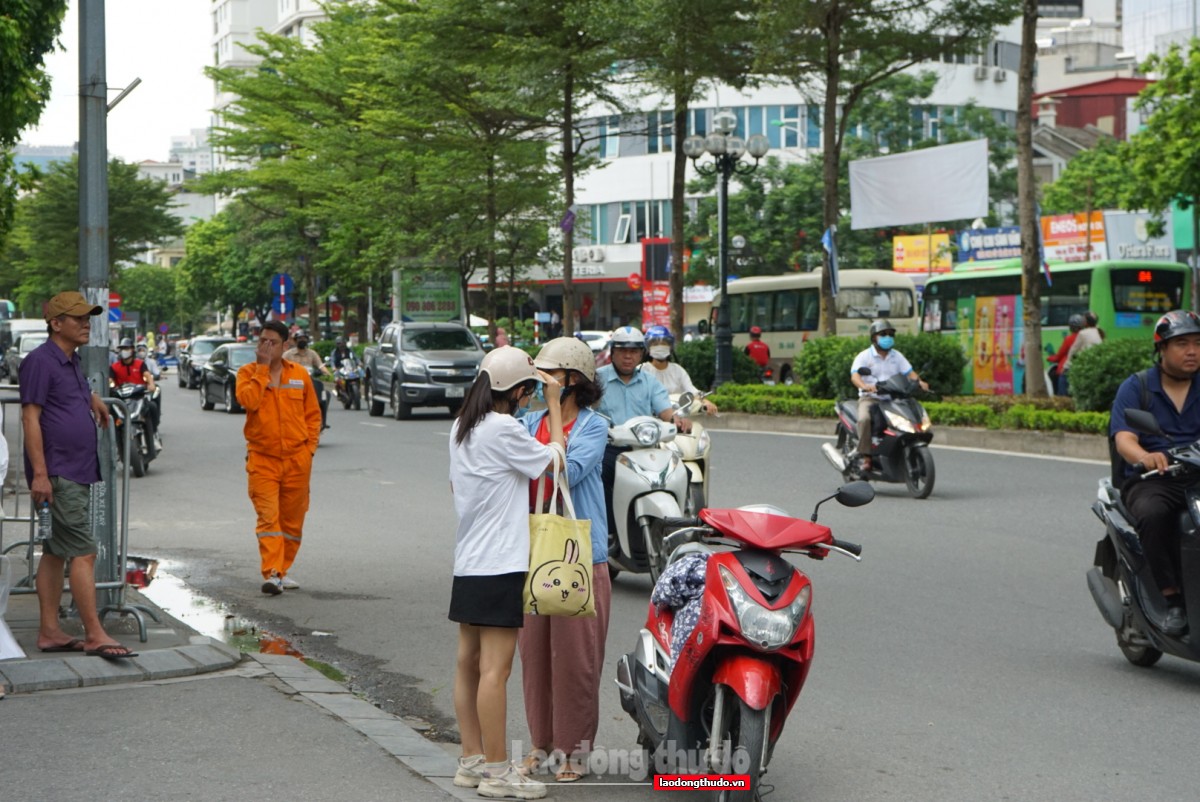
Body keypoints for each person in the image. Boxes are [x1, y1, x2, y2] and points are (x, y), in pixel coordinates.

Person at [447, 346, 562, 800]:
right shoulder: (503, 429)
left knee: (467, 664)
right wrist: (554, 403)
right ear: (515, 391)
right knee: (495, 671)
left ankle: (471, 761)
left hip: (469, 560)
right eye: (528, 391)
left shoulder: (460, 427)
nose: (529, 398)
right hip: (500, 562)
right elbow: (555, 459)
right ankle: (498, 773)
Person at [20, 291, 136, 659]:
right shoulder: (39, 361)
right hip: (58, 471)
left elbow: (70, 393)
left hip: (77, 468)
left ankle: (50, 632)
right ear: (57, 324)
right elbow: (30, 417)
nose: (87, 324)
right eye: (78, 318)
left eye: (88, 317)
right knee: (84, 553)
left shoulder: (72, 359)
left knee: (55, 552)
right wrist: (40, 474)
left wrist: (93, 399)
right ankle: (95, 634)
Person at [516, 337, 609, 784]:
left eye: (549, 376)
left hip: (579, 553)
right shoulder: (525, 420)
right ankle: (541, 743)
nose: (541, 384)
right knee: (534, 655)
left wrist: (555, 408)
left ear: (573, 380)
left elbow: (565, 469)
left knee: (576, 658)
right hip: (532, 551)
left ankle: (574, 749)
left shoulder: (594, 426)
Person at [1110, 310, 1200, 636]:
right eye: (1182, 344)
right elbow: (1124, 439)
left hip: (1197, 479)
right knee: (1153, 514)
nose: (1192, 351)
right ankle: (1171, 598)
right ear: (1161, 349)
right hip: (1155, 481)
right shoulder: (1138, 387)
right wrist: (1146, 457)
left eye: (1198, 343)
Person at [237, 320, 323, 595]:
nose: (266, 346)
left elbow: (313, 415)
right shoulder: (247, 373)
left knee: (292, 521)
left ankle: (282, 570)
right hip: (263, 459)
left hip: (298, 459)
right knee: (268, 518)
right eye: (263, 341)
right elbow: (248, 401)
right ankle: (272, 572)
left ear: (285, 346)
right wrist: (262, 369)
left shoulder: (299, 374)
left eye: (272, 342)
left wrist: (309, 449)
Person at [596, 326, 690, 539]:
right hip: (611, 449)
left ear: (641, 354)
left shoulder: (649, 382)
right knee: (599, 475)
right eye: (622, 351)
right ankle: (609, 533)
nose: (628, 356)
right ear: (613, 352)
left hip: (644, 448)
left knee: (683, 472)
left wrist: (677, 420)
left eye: (634, 351)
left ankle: (686, 523)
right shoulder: (598, 380)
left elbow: (665, 411)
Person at [849, 319, 928, 472]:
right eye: (883, 334)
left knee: (910, 417)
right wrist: (865, 386)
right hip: (871, 398)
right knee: (864, 419)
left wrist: (920, 382)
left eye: (890, 334)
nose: (887, 337)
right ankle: (866, 456)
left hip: (893, 398)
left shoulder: (896, 356)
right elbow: (855, 376)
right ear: (874, 338)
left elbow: (909, 373)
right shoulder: (865, 356)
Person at [639, 325, 718, 414]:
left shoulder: (678, 370)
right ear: (648, 347)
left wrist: (705, 402)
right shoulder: (641, 370)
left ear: (670, 347)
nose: (660, 346)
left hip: (678, 418)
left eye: (664, 343)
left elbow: (691, 391)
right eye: (655, 344)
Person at [110, 337, 162, 452]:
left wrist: (151, 384)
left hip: (138, 398)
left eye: (126, 348)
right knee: (109, 413)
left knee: (152, 407)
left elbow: (147, 375)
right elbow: (110, 380)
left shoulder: (140, 364)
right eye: (122, 349)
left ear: (132, 350)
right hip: (122, 400)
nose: (124, 351)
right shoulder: (115, 367)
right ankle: (113, 444)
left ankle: (153, 435)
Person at [284, 333, 331, 430]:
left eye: (304, 338)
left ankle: (323, 421)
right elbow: (280, 365)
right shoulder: (288, 354)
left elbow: (320, 365)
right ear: (295, 340)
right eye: (299, 338)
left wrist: (327, 373)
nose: (302, 340)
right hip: (293, 383)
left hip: (310, 382)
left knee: (325, 395)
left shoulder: (312, 353)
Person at [1048, 314, 1084, 396]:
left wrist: (1049, 358)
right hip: (1082, 367)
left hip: (1069, 367)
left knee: (1062, 385)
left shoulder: (1069, 338)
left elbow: (1059, 356)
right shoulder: (1086, 336)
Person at [1061, 310, 1103, 376]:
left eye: (1083, 320)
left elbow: (1073, 351)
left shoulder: (1083, 333)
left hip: (1085, 364)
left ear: (1086, 322)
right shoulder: (1099, 331)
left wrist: (1065, 367)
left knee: (1062, 378)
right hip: (1095, 364)